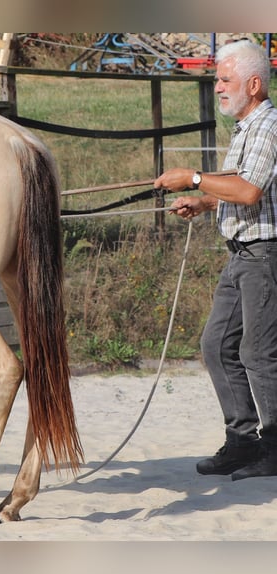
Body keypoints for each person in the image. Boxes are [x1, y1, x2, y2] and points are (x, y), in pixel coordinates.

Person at [154, 39, 277, 481]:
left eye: (225, 80)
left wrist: (192, 176)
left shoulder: (268, 127)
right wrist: (204, 201)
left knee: (259, 354)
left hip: (265, 255)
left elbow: (248, 192)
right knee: (217, 346)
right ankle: (243, 442)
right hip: (242, 254)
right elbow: (237, 190)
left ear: (255, 83)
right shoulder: (246, 129)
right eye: (218, 80)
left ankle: (275, 448)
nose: (219, 88)